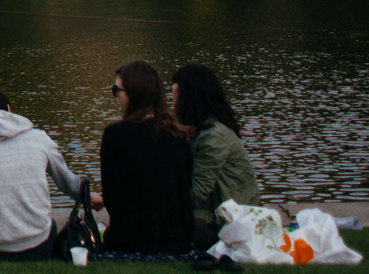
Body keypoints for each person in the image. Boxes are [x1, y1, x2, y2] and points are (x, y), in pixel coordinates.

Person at [0, 85, 94, 262]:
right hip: (38, 247)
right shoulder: (39, 138)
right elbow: (68, 183)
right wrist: (89, 195)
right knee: (51, 225)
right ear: (9, 109)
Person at [98, 59, 194, 255]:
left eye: (117, 90)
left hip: (130, 242)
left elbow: (110, 196)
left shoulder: (115, 135)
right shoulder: (180, 135)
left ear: (133, 94)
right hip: (178, 240)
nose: (115, 96)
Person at [172, 63, 260, 249]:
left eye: (175, 98)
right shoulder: (200, 130)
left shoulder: (214, 138)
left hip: (234, 219)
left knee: (184, 234)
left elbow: (196, 194)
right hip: (215, 211)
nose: (173, 105)